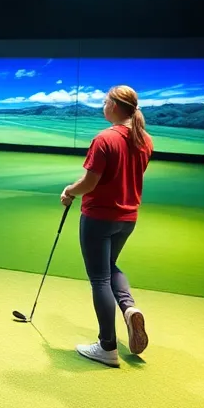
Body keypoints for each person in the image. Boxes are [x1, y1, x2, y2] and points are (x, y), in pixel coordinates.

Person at [61, 85, 152, 367]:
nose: (102, 106)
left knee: (99, 278)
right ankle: (129, 308)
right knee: (110, 266)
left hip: (99, 217)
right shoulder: (144, 139)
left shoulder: (105, 139)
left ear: (114, 105)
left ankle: (107, 346)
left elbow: (90, 183)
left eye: (104, 102)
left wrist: (69, 191)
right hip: (127, 218)